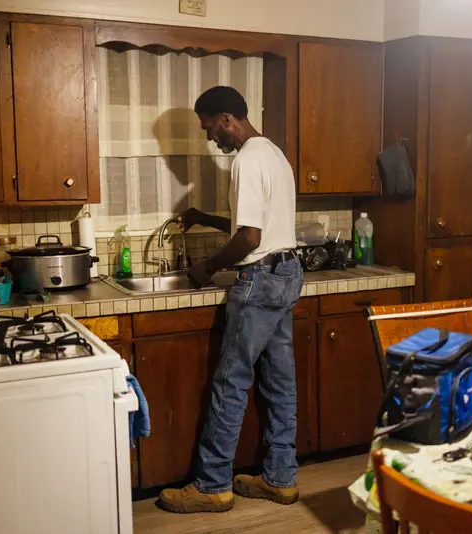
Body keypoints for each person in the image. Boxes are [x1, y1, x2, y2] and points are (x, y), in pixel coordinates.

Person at [158, 86, 303, 514]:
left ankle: (212, 484)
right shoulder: (274, 154)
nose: (210, 138)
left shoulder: (246, 159)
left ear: (226, 119)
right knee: (280, 383)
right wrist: (203, 217)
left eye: (209, 128)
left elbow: (250, 238)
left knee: (231, 382)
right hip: (287, 273)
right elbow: (255, 225)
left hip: (260, 280)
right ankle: (280, 478)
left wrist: (206, 268)